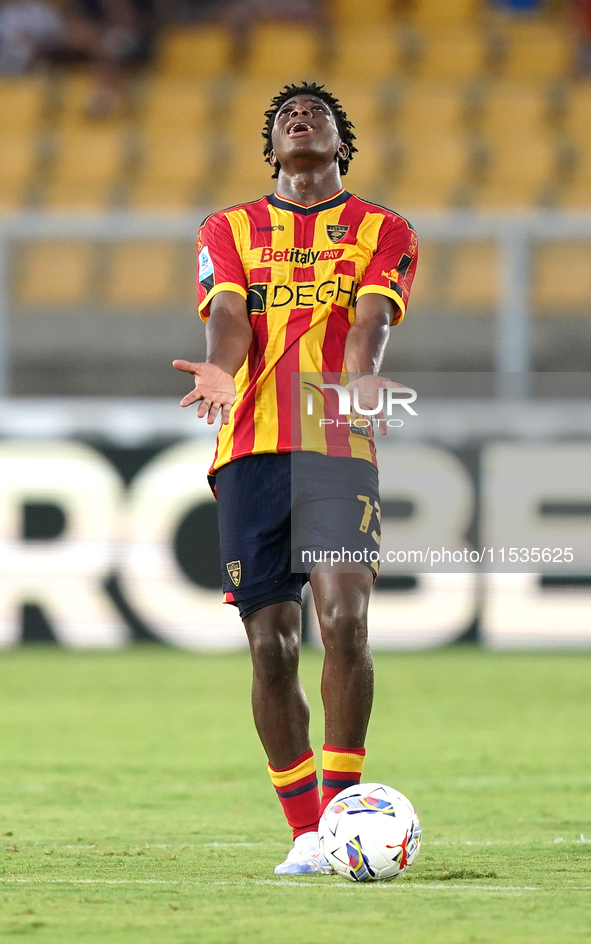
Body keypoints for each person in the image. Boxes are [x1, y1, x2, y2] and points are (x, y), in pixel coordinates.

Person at [173, 81, 418, 875]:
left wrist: (364, 380)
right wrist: (219, 368)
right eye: (284, 116)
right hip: (248, 447)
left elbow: (373, 318)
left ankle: (347, 804)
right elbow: (230, 315)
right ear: (271, 147)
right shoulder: (229, 227)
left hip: (332, 436)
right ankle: (307, 833)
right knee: (271, 648)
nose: (299, 118)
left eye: (315, 113)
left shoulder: (383, 229)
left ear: (340, 142)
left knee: (345, 624)